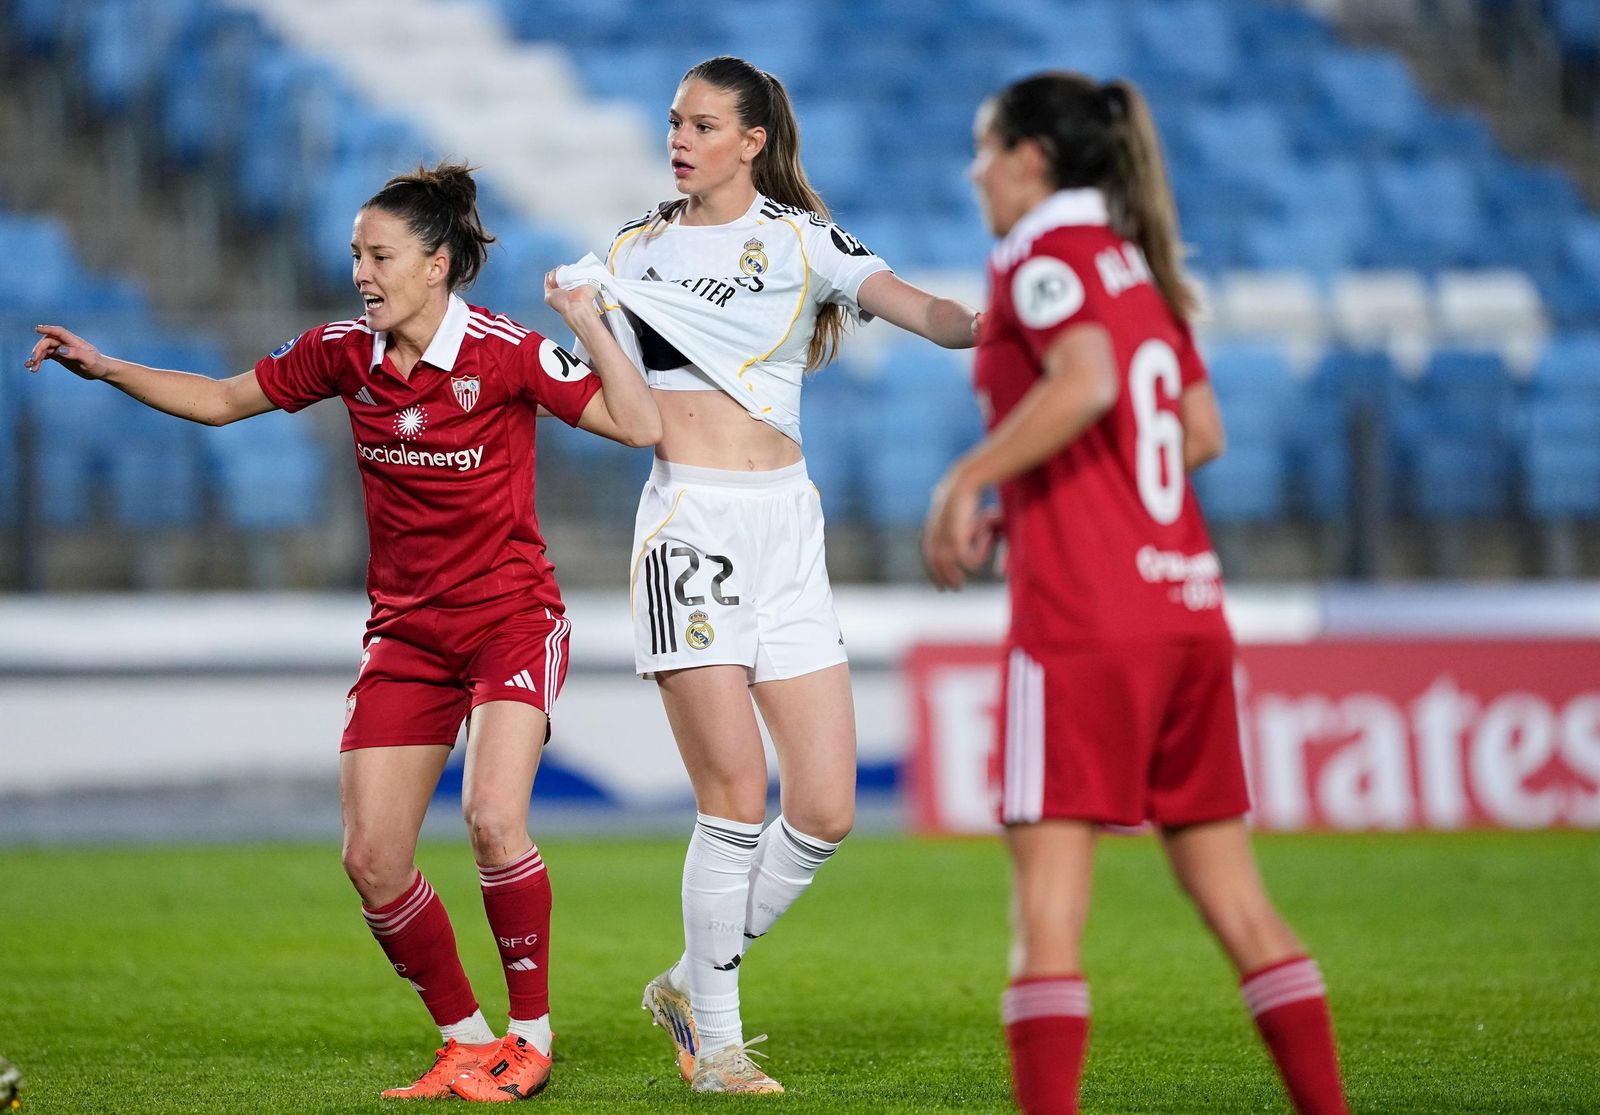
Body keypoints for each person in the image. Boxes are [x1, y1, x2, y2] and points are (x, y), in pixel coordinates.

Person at [24, 163, 660, 1103]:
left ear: (437, 265)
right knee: (371, 859)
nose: (360, 272)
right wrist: (109, 367)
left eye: (379, 255)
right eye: (355, 254)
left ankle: (532, 1035)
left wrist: (583, 319)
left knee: (493, 817)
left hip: (510, 621)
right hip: (406, 633)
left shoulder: (506, 350)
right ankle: (465, 1041)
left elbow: (641, 422)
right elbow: (220, 399)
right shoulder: (341, 351)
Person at [921, 74, 1349, 1115]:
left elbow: (1088, 383)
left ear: (1030, 158)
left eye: (984, 147)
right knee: (1239, 904)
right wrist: (1052, 497)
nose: (973, 170)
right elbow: (1197, 432)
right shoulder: (1135, 269)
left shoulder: (1042, 260)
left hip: (1082, 624)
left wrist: (972, 476)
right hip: (1187, 609)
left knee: (1049, 918)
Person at [554, 55, 980, 1094]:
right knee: (736, 795)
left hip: (789, 527)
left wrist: (1012, 323)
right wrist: (582, 325)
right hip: (691, 528)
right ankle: (719, 1042)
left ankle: (686, 982)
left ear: (752, 140)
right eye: (673, 122)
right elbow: (613, 410)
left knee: (825, 808)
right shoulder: (628, 255)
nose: (680, 138)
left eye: (703, 124)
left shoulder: (801, 242)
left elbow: (924, 311)